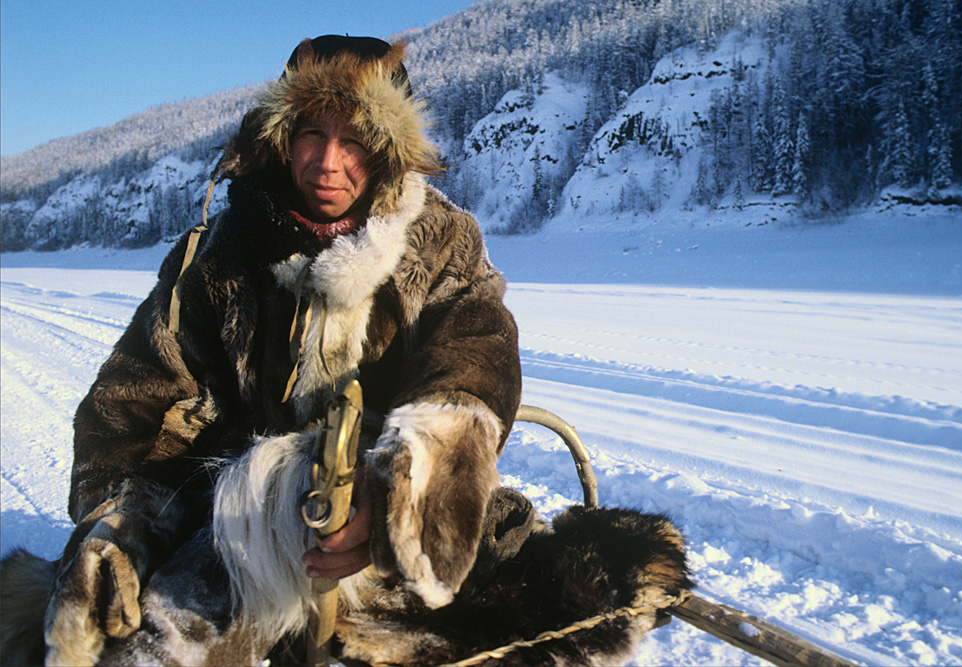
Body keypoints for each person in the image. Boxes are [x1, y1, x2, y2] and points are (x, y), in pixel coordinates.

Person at [0, 36, 690, 667]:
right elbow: (134, 407)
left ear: (388, 149)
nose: (328, 162)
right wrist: (123, 528)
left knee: (552, 611)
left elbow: (473, 358)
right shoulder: (217, 258)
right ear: (280, 139)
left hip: (391, 526)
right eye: (310, 134)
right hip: (241, 525)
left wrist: (391, 498)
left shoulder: (442, 242)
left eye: (354, 139)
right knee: (142, 646)